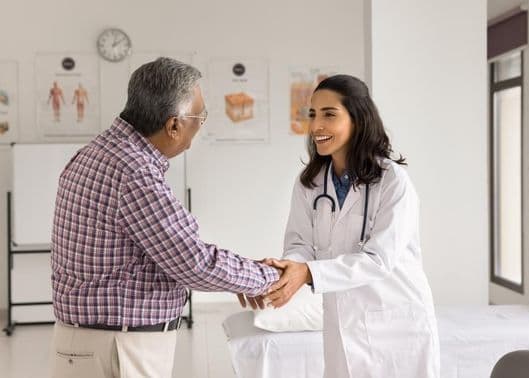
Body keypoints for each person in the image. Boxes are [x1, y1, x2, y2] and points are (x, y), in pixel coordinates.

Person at [49, 57, 280, 378]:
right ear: (174, 125)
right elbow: (194, 262)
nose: (199, 127)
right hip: (119, 345)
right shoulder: (135, 173)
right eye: (201, 117)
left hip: (84, 340)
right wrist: (266, 277)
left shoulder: (94, 152)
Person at [261, 74, 440, 377]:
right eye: (313, 114)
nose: (317, 126)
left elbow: (379, 260)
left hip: (397, 326)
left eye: (329, 114)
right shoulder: (310, 184)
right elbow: (299, 243)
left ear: (358, 119)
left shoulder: (393, 181)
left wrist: (308, 273)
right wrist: (287, 269)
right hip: (343, 324)